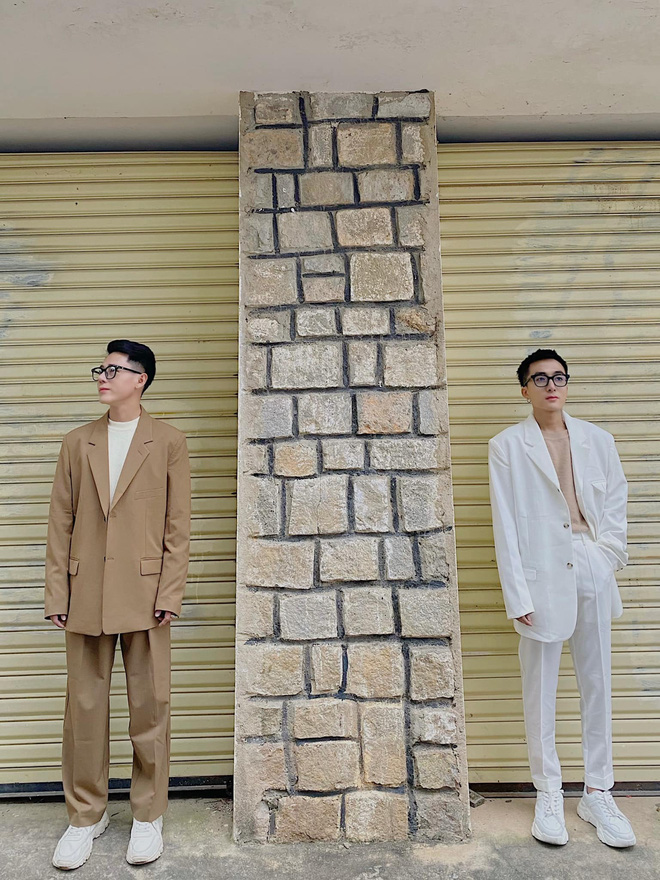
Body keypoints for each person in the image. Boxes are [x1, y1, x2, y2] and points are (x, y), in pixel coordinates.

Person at [45, 339, 191, 870]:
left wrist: (170, 593)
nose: (102, 378)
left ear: (140, 379)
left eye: (112, 370)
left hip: (148, 596)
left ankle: (148, 815)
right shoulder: (77, 442)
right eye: (100, 369)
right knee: (84, 711)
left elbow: (178, 525)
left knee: (150, 709)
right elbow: (60, 522)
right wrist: (57, 591)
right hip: (85, 592)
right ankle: (86, 816)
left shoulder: (168, 441)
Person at [488, 348, 635, 848]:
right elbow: (505, 524)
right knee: (540, 689)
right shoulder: (507, 447)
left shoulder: (598, 440)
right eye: (540, 378)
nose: (551, 385)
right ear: (524, 389)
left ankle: (598, 792)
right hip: (540, 576)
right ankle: (548, 791)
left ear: (567, 384)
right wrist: (517, 594)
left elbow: (615, 504)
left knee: (598, 684)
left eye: (558, 377)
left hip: (590, 564)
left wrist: (606, 557)